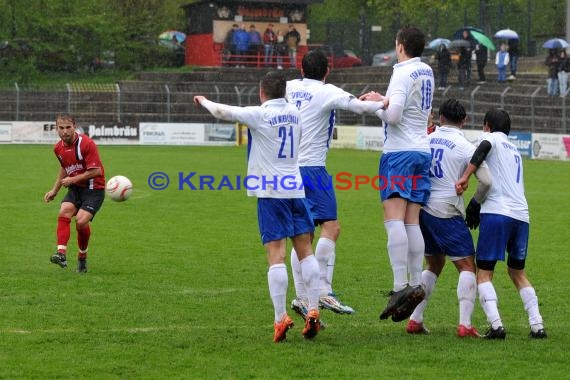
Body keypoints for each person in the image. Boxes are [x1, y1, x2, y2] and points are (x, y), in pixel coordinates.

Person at [193, 71, 322, 343]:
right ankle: (313, 309)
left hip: (271, 190)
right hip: (295, 187)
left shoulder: (260, 114)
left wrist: (203, 100)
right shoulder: (295, 112)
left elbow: (222, 111)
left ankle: (280, 318)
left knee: (276, 255)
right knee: (306, 251)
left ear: (262, 93)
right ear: (284, 93)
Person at [286, 49, 385, 321]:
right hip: (313, 170)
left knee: (302, 236)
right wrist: (384, 102)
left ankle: (304, 298)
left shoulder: (289, 88)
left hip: (288, 171)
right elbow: (361, 107)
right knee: (332, 227)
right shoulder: (327, 91)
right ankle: (322, 290)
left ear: (302, 69)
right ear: (327, 71)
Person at [360, 26, 434, 323]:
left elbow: (393, 115)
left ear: (400, 45)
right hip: (421, 151)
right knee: (412, 219)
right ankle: (415, 283)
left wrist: (374, 104)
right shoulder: (426, 71)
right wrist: (384, 97)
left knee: (393, 219)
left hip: (399, 152)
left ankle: (399, 286)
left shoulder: (402, 73)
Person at [455, 108, 547, 340]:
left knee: (484, 273)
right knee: (517, 272)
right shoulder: (514, 149)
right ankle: (537, 325)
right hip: (521, 216)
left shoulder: (490, 138)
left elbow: (483, 149)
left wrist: (466, 176)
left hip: (497, 212)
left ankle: (496, 325)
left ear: (487, 125)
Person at [405, 99, 491, 337]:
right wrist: (475, 201)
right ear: (463, 121)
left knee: (434, 263)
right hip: (446, 211)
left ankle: (415, 320)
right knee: (466, 266)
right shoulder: (465, 145)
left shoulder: (426, 139)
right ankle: (465, 325)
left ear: (440, 118)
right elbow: (486, 180)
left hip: (421, 209)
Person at [44, 114, 106, 273]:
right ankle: (61, 254)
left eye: (68, 127)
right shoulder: (58, 148)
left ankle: (82, 257)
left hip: (94, 189)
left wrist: (72, 179)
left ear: (74, 126)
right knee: (64, 211)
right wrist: (54, 190)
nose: (65, 131)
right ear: (56, 128)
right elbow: (64, 168)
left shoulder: (86, 144)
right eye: (61, 128)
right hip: (76, 189)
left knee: (80, 222)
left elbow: (96, 171)